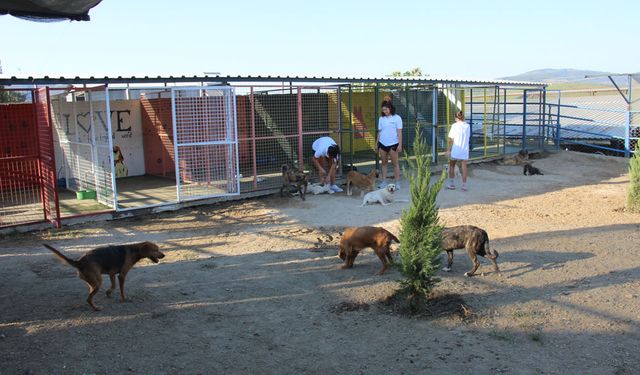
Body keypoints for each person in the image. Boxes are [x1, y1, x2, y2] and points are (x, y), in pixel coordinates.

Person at [376, 100, 403, 189]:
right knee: (384, 163)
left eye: (386, 109)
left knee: (395, 164)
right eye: (383, 110)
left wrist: (400, 145)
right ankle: (384, 181)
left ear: (390, 108)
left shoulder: (397, 118)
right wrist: (377, 144)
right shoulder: (381, 119)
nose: (385, 111)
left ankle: (397, 182)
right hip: (382, 144)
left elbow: (399, 133)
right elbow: (379, 132)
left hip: (393, 144)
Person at [446, 111, 471, 191]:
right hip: (464, 149)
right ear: (463, 117)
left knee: (452, 165)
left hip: (456, 149)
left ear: (456, 118)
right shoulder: (467, 126)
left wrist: (448, 150)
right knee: (464, 166)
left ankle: (451, 184)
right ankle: (464, 186)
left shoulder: (454, 126)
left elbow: (451, 139)